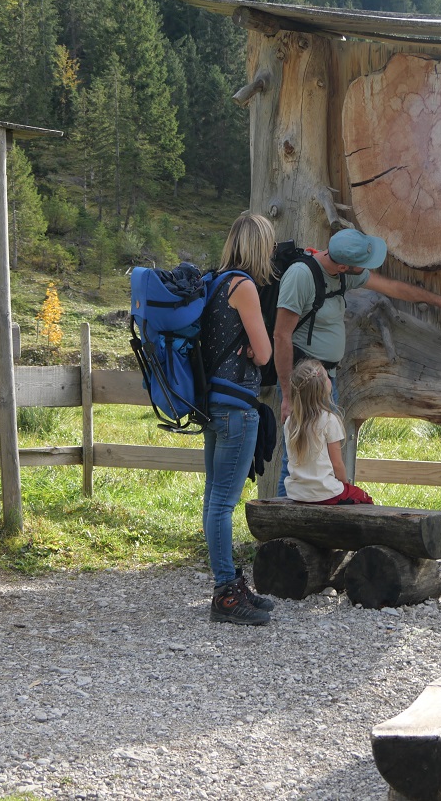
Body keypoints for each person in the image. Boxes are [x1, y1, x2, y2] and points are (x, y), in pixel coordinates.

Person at [273, 228, 441, 494]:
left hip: (327, 380)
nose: (364, 270)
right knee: (296, 458)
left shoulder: (341, 274)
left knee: (323, 457)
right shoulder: (301, 277)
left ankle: (315, 522)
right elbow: (281, 336)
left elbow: (394, 288)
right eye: (360, 265)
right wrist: (286, 395)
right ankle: (279, 524)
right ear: (341, 265)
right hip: (304, 382)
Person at [203, 212, 276, 626]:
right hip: (237, 406)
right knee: (223, 504)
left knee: (213, 498)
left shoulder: (214, 282)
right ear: (259, 247)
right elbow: (264, 355)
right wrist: (253, 347)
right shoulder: (244, 287)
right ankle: (226, 592)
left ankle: (228, 583)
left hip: (212, 403)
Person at [284, 359, 374, 504]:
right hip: (325, 492)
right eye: (327, 377)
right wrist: (345, 487)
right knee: (365, 499)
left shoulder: (290, 422)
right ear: (321, 388)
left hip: (297, 492)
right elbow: (337, 464)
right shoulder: (329, 420)